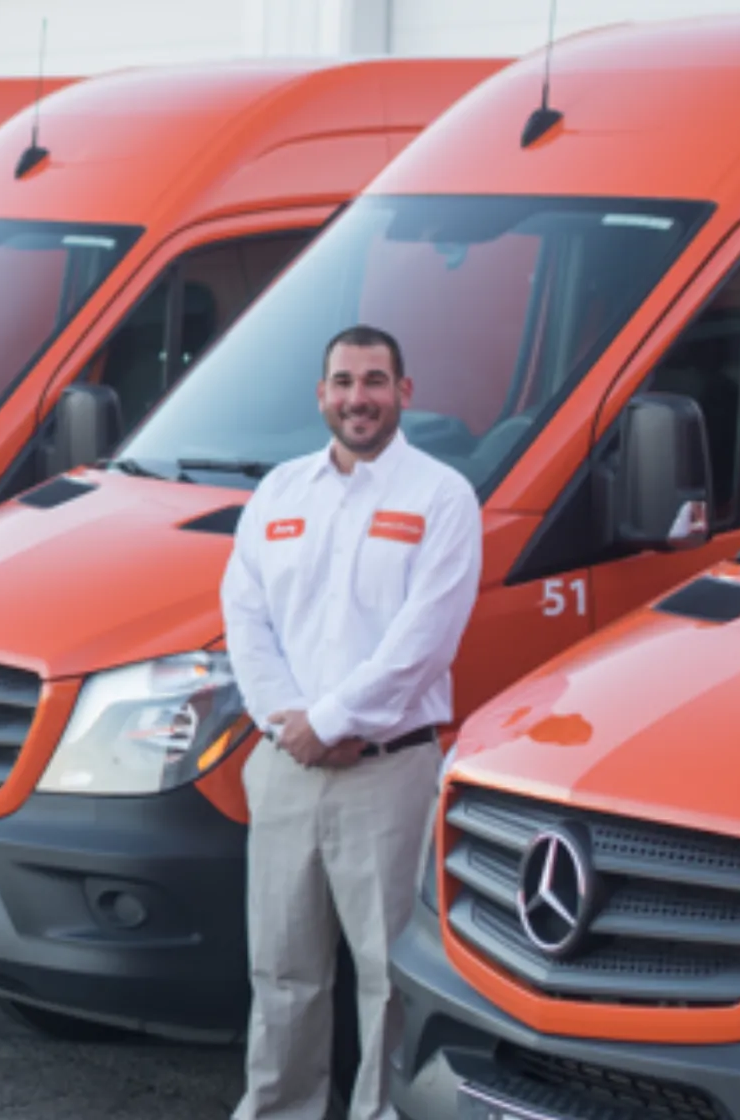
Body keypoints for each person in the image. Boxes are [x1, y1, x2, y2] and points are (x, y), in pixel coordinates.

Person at [220, 325, 478, 1120]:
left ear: (405, 391)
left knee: (386, 973)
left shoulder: (441, 497)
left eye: (374, 381)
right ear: (321, 395)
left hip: (389, 772)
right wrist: (285, 720)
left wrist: (330, 718)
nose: (356, 398)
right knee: (283, 969)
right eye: (342, 382)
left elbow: (424, 643)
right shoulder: (279, 494)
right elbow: (243, 614)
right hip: (286, 764)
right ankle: (278, 1111)